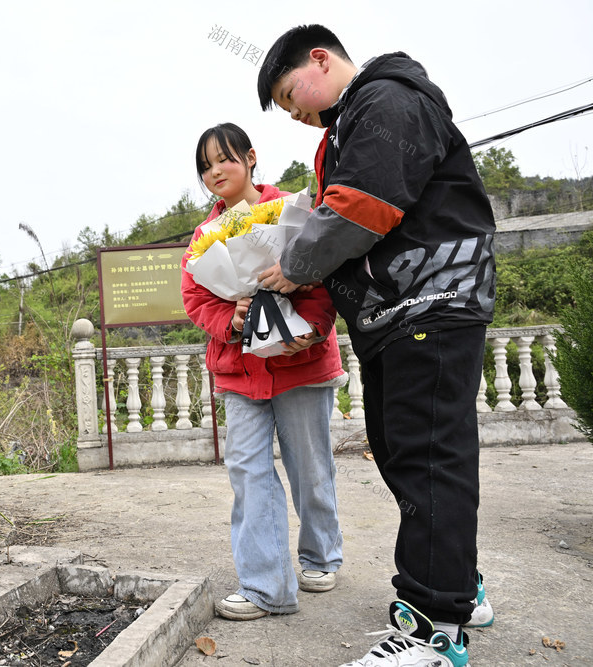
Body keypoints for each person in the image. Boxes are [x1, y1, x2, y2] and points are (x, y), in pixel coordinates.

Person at [255, 25, 495, 667]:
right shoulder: (352, 124)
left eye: (290, 94)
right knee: (403, 453)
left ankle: (434, 631)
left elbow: (361, 209)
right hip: (397, 314)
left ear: (319, 57)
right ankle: (457, 589)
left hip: (432, 304)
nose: (298, 113)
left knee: (428, 457)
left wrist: (296, 266)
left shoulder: (386, 100)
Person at [181, 122, 345, 621]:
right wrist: (227, 318)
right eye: (206, 166)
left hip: (300, 364)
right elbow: (194, 297)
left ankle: (321, 556)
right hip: (239, 371)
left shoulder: (293, 212)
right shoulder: (205, 236)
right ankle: (267, 586)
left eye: (224, 159)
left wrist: (312, 326)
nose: (215, 172)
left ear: (251, 157)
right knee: (248, 474)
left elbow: (324, 279)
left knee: (310, 470)